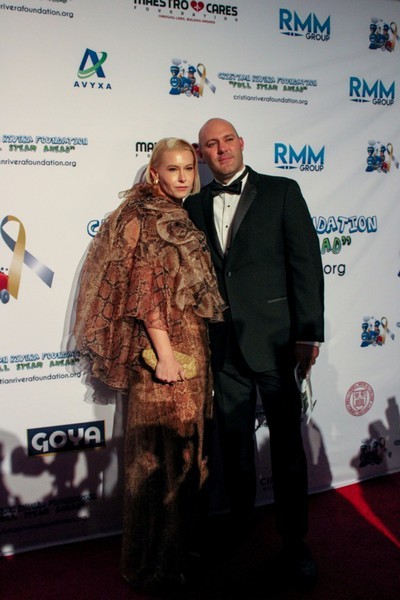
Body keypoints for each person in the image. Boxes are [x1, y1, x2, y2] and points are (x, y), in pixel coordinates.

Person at [73, 138, 225, 592]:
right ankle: (157, 566)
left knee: (172, 456)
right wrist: (165, 356)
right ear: (154, 172)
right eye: (172, 169)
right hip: (168, 354)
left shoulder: (166, 212)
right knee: (167, 460)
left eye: (188, 169)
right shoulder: (149, 216)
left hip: (185, 347)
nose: (183, 176)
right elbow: (147, 295)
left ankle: (167, 552)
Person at [185, 118, 324, 587]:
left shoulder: (282, 191)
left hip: (276, 341)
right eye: (211, 144)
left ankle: (294, 539)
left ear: (241, 143)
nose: (221, 149)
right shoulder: (194, 205)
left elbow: (306, 264)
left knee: (286, 447)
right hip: (223, 346)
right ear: (201, 154)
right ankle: (241, 523)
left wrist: (308, 334)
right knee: (234, 446)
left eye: (228, 140)